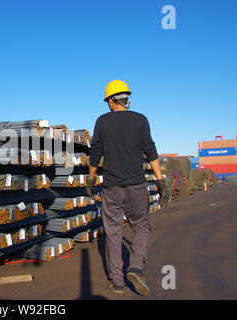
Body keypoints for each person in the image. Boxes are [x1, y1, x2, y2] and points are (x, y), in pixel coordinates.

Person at [86, 80, 170, 296]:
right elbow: (150, 152)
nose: (108, 105)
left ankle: (117, 282)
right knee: (141, 226)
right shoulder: (140, 120)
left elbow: (95, 153)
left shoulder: (102, 122)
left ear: (112, 101)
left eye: (108, 101)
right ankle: (136, 268)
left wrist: (92, 178)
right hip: (136, 185)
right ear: (126, 99)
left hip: (112, 187)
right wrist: (160, 181)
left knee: (113, 233)